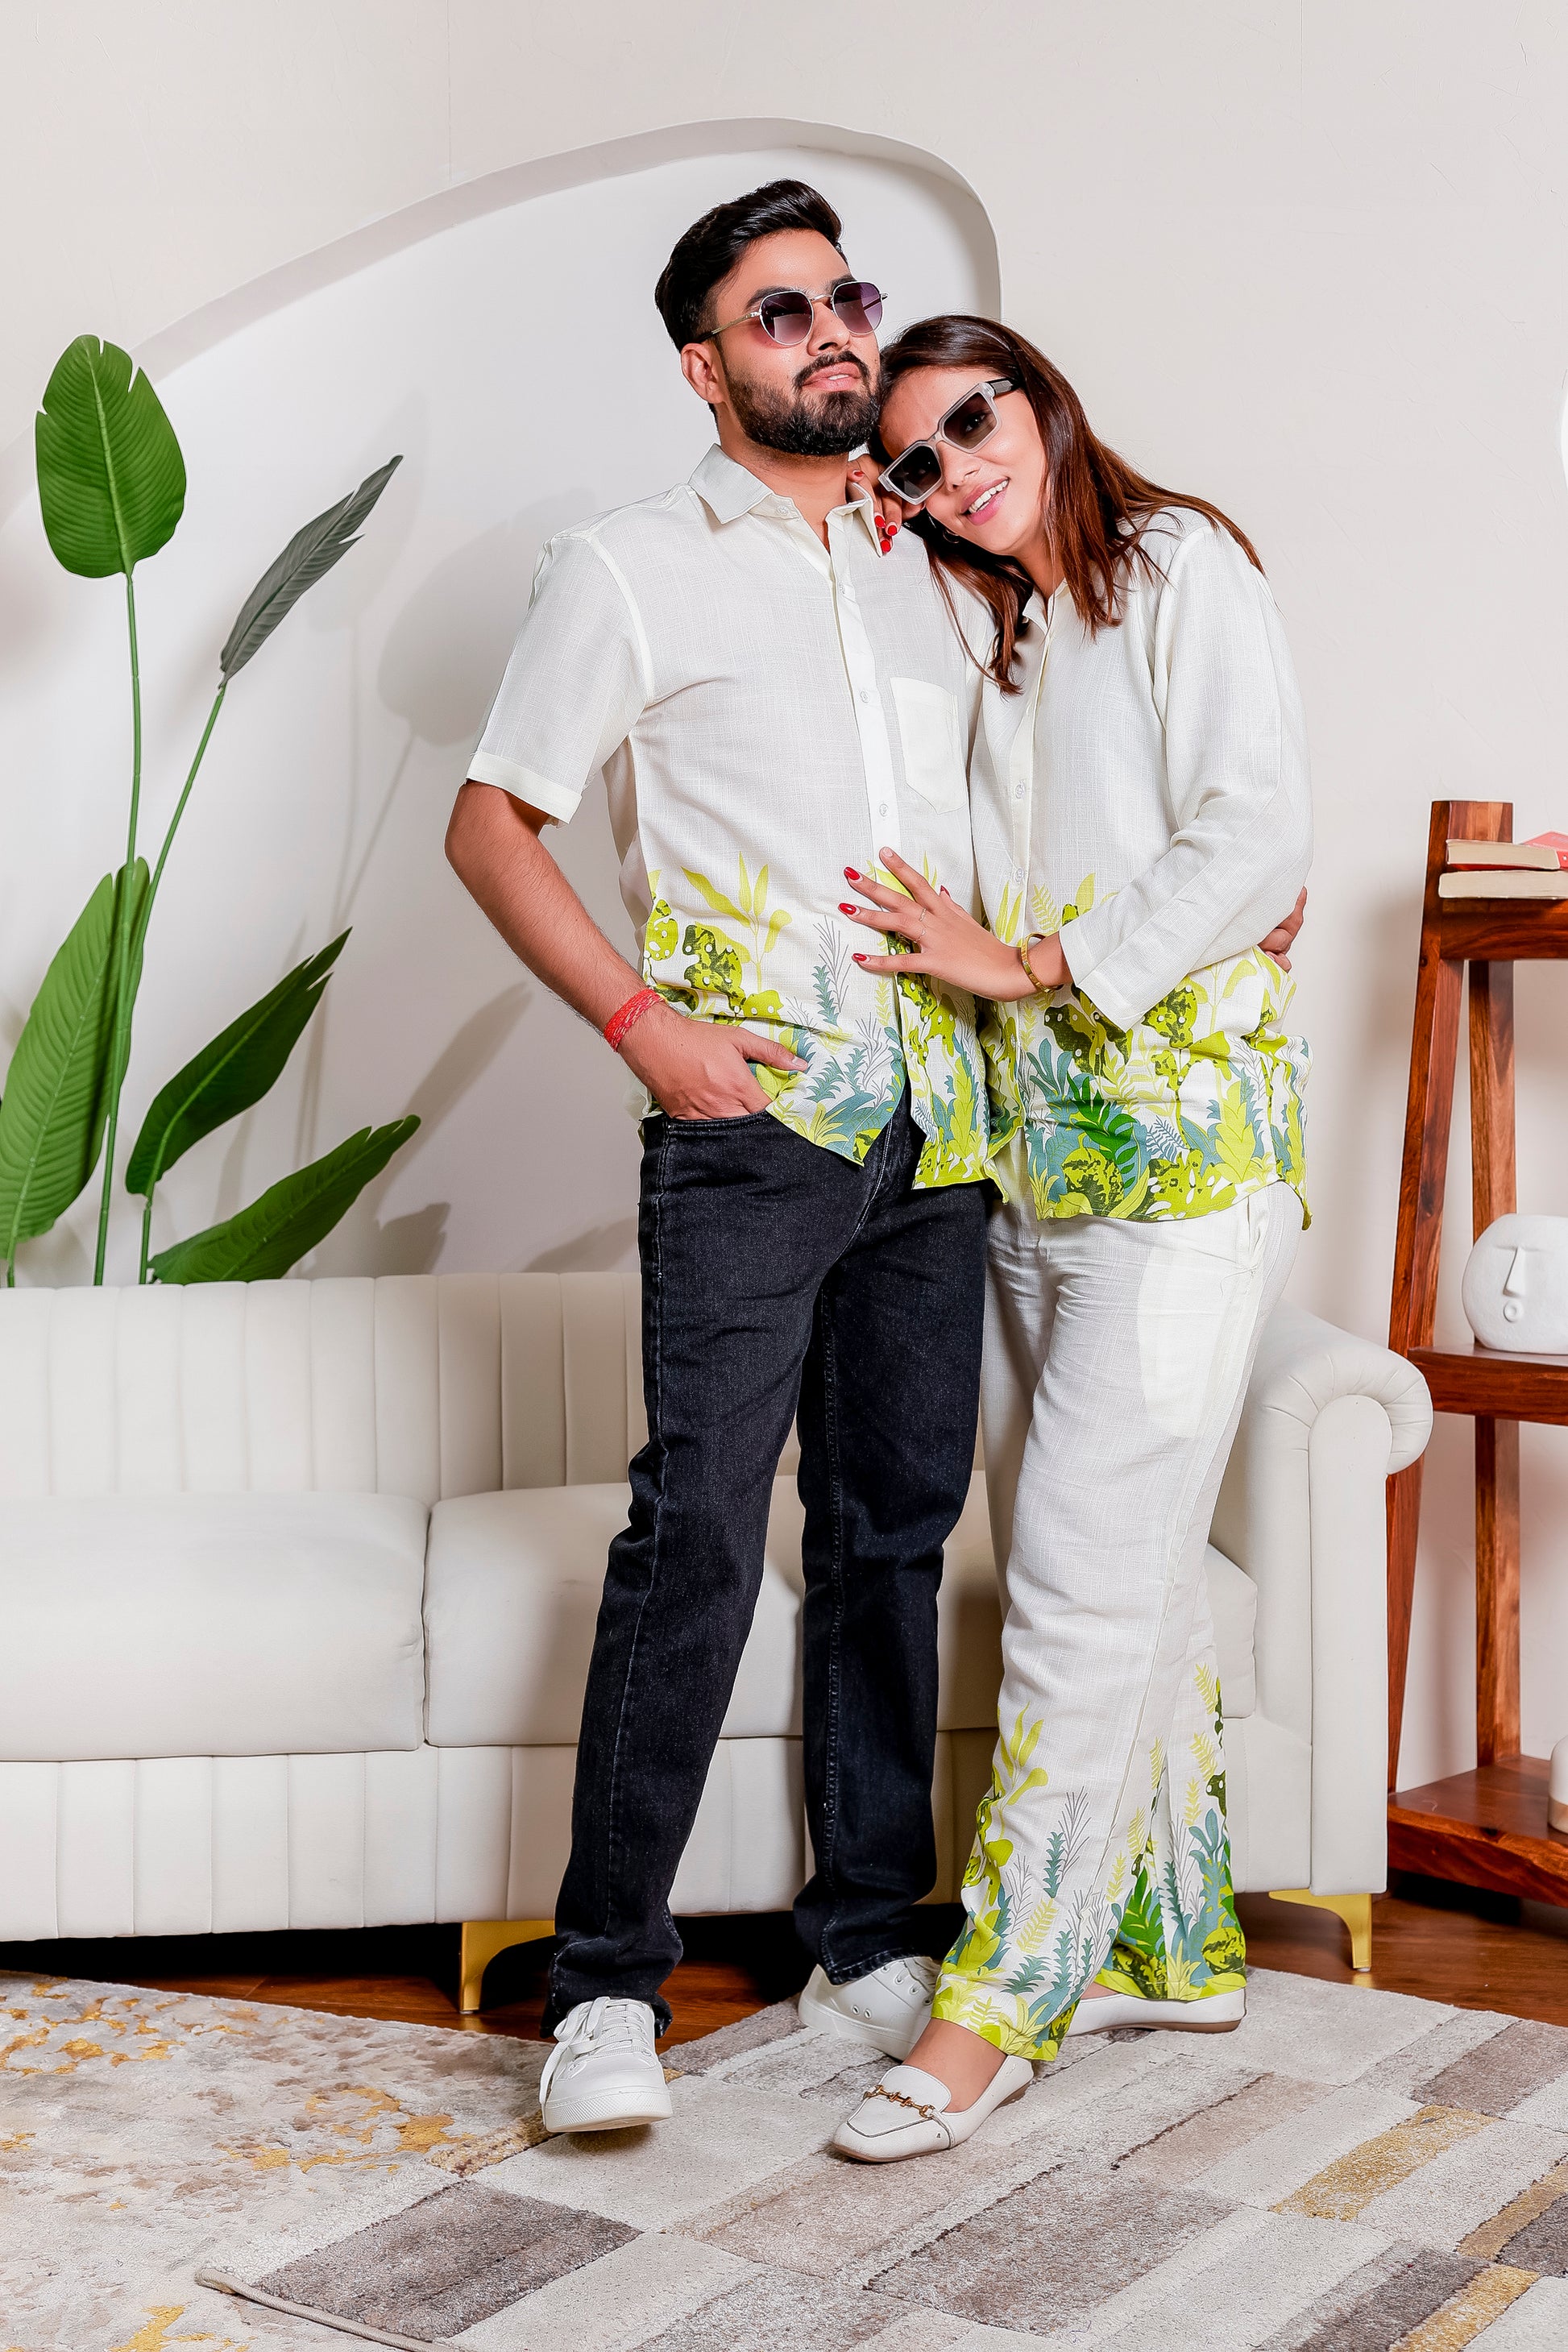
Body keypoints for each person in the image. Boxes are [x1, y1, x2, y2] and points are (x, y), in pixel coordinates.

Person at [446, 182, 1002, 2136]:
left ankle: (865, 1932)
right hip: (752, 1125)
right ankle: (606, 1983)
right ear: (707, 365)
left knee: (888, 1530)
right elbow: (494, 821)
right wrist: (641, 1026)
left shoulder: (939, 563)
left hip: (945, 1119)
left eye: (847, 297)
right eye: (782, 314)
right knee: (696, 1528)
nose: (834, 333)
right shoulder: (623, 566)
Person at [829, 316, 1313, 2163]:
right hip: (1039, 1166)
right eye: (918, 460)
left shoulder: (1178, 565)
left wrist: (1035, 960)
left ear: (1036, 397)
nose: (960, 465)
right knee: (1133, 1569)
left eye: (974, 418)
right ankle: (1170, 1938)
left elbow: (1255, 828)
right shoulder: (994, 640)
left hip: (1184, 1161)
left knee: (1072, 1583)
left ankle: (993, 2000)